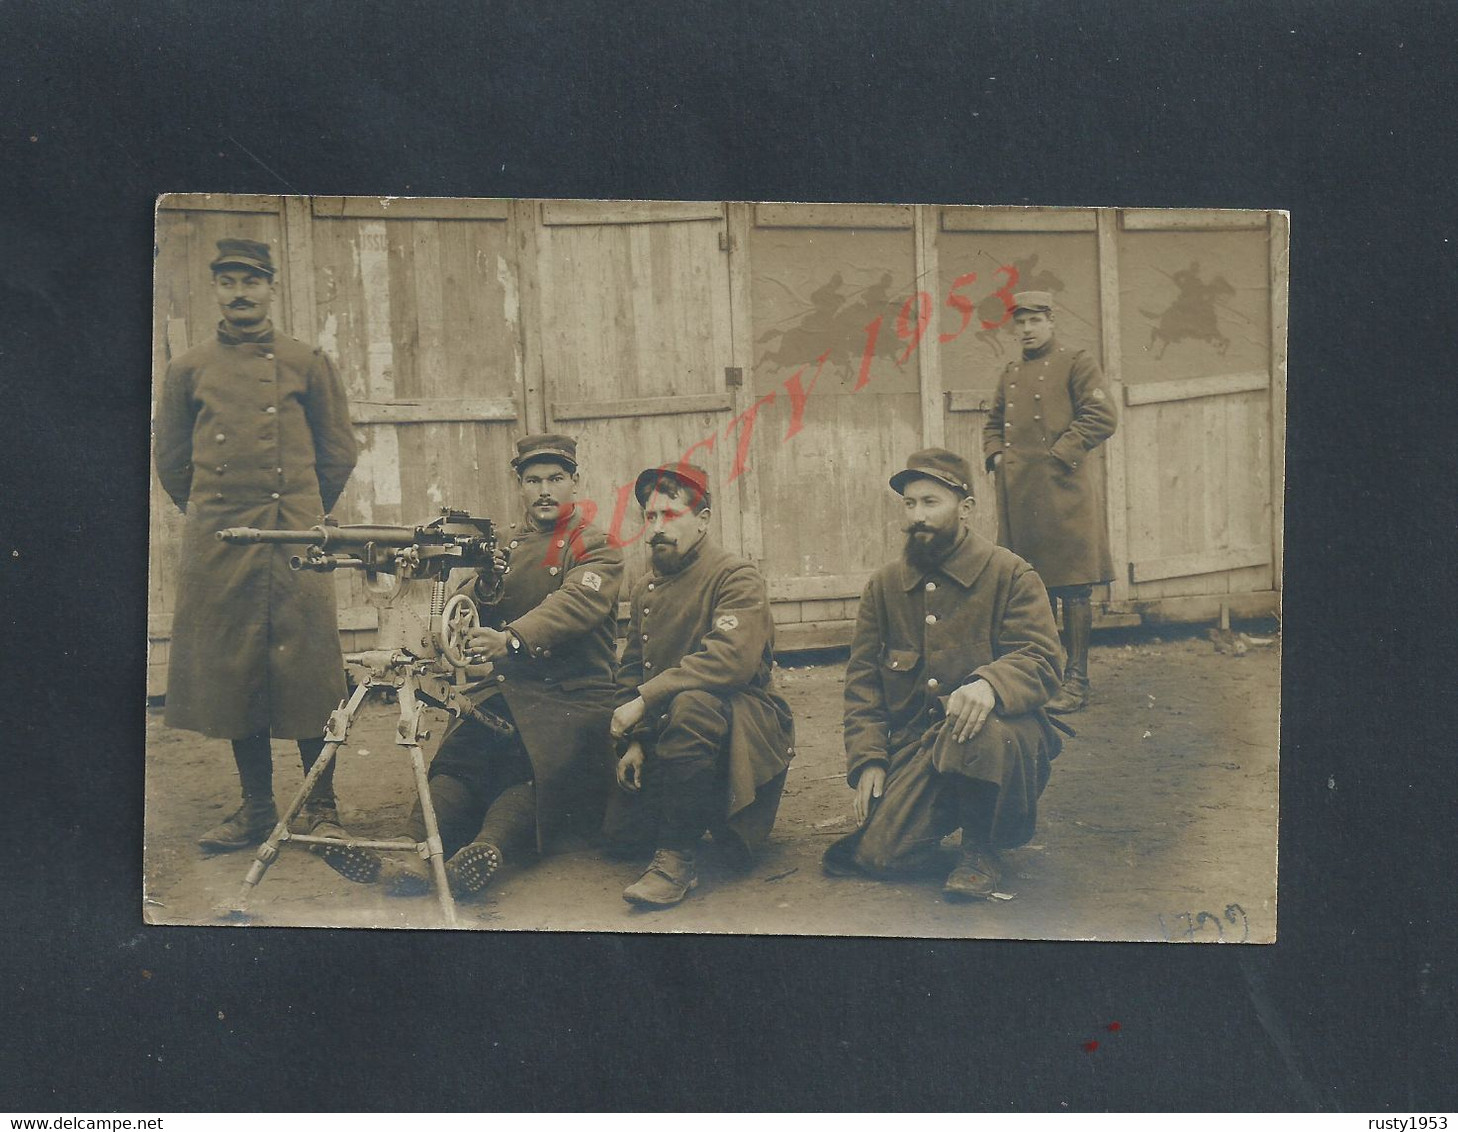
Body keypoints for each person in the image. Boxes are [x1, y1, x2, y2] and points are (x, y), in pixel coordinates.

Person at [153, 237, 366, 876]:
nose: (240, 293)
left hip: (294, 536)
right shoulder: (188, 368)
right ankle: (254, 806)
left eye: (251, 281)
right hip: (221, 540)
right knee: (233, 664)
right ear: (214, 289)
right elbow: (170, 462)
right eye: (227, 282)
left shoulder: (307, 361)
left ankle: (321, 804)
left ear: (271, 288)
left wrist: (300, 512)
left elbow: (339, 452)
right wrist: (219, 511)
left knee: (307, 664)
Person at [367, 433, 625, 899]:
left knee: (526, 766)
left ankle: (487, 851)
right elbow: (463, 605)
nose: (544, 490)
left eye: (556, 478)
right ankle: (408, 851)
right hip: (507, 688)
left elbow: (573, 606)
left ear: (574, 483)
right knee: (461, 756)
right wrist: (481, 592)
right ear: (519, 486)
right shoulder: (502, 544)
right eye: (533, 480)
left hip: (572, 695)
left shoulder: (595, 546)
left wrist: (511, 638)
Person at [822, 448, 1065, 899]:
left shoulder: (1009, 574)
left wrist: (991, 684)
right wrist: (870, 758)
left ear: (965, 508)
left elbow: (1043, 659)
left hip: (1000, 738)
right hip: (922, 745)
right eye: (909, 504)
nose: (917, 516)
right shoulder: (885, 587)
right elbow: (863, 685)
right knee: (880, 857)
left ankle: (981, 848)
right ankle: (930, 834)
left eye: (931, 502)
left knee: (982, 727)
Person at [604, 464, 796, 908]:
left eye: (669, 516)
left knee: (694, 703)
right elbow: (632, 669)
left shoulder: (735, 576)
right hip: (672, 728)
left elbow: (730, 661)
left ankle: (677, 862)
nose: (655, 530)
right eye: (649, 518)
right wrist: (631, 742)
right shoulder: (646, 587)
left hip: (742, 725)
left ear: (703, 519)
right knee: (619, 840)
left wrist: (645, 701)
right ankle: (678, 826)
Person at [983, 290, 1118, 713]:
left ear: (1051, 321)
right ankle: (1047, 676)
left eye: (1033, 321)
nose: (1025, 330)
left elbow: (1102, 415)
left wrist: (1062, 452)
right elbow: (992, 423)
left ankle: (1077, 682)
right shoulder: (1009, 373)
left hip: (1063, 493)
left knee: (1074, 586)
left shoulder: (1076, 362)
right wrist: (996, 456)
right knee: (1032, 589)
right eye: (1018, 323)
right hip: (1020, 497)